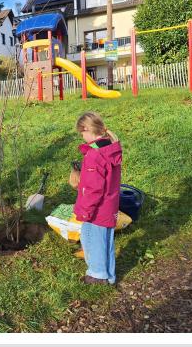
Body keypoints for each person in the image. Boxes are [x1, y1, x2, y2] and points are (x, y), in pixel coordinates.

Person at [72, 112, 122, 285]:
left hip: (97, 208)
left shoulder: (94, 155)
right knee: (105, 241)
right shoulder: (110, 148)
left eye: (82, 133)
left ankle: (97, 275)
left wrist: (86, 210)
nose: (82, 137)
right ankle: (109, 275)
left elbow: (94, 189)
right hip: (109, 205)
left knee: (92, 240)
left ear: (86, 129)